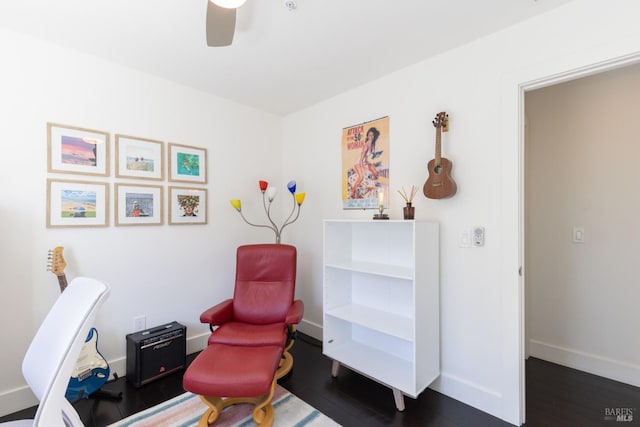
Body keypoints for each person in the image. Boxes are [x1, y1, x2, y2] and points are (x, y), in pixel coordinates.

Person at [350, 127, 382, 199]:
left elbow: (366, 157)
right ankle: (352, 192)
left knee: (376, 173)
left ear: (374, 136)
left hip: (364, 162)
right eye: (369, 135)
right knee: (361, 177)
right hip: (358, 162)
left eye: (372, 135)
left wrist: (368, 163)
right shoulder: (366, 145)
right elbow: (361, 158)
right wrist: (362, 167)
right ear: (367, 136)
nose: (371, 137)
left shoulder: (373, 145)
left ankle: (371, 185)